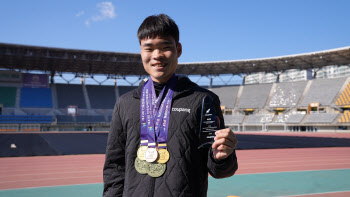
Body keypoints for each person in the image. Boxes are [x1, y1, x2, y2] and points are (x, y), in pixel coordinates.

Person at [103, 14, 238, 197]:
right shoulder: (125, 103)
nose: (157, 55)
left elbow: (220, 170)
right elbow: (115, 167)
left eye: (165, 47)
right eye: (149, 48)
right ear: (141, 52)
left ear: (178, 49)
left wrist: (222, 157)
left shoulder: (204, 101)